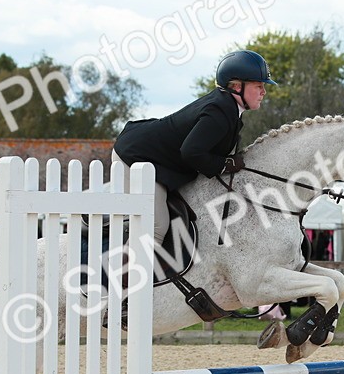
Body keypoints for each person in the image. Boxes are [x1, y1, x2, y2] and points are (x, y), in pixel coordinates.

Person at [112, 49, 274, 247]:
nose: (264, 92)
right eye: (259, 86)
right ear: (236, 86)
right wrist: (224, 164)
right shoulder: (219, 111)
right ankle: (123, 267)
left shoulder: (229, 109)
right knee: (156, 226)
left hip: (159, 159)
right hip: (136, 157)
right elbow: (191, 152)